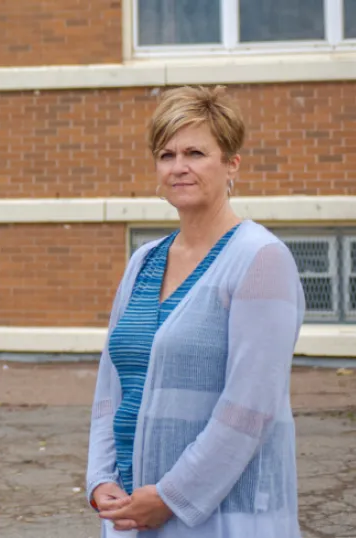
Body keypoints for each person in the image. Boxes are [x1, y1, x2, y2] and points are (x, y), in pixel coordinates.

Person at [85, 86, 304, 537]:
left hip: (224, 518)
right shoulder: (142, 261)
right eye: (166, 154)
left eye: (196, 152)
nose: (178, 167)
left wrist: (170, 497)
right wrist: (101, 477)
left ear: (231, 165)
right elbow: (111, 385)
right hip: (130, 510)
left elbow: (251, 406)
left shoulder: (260, 259)